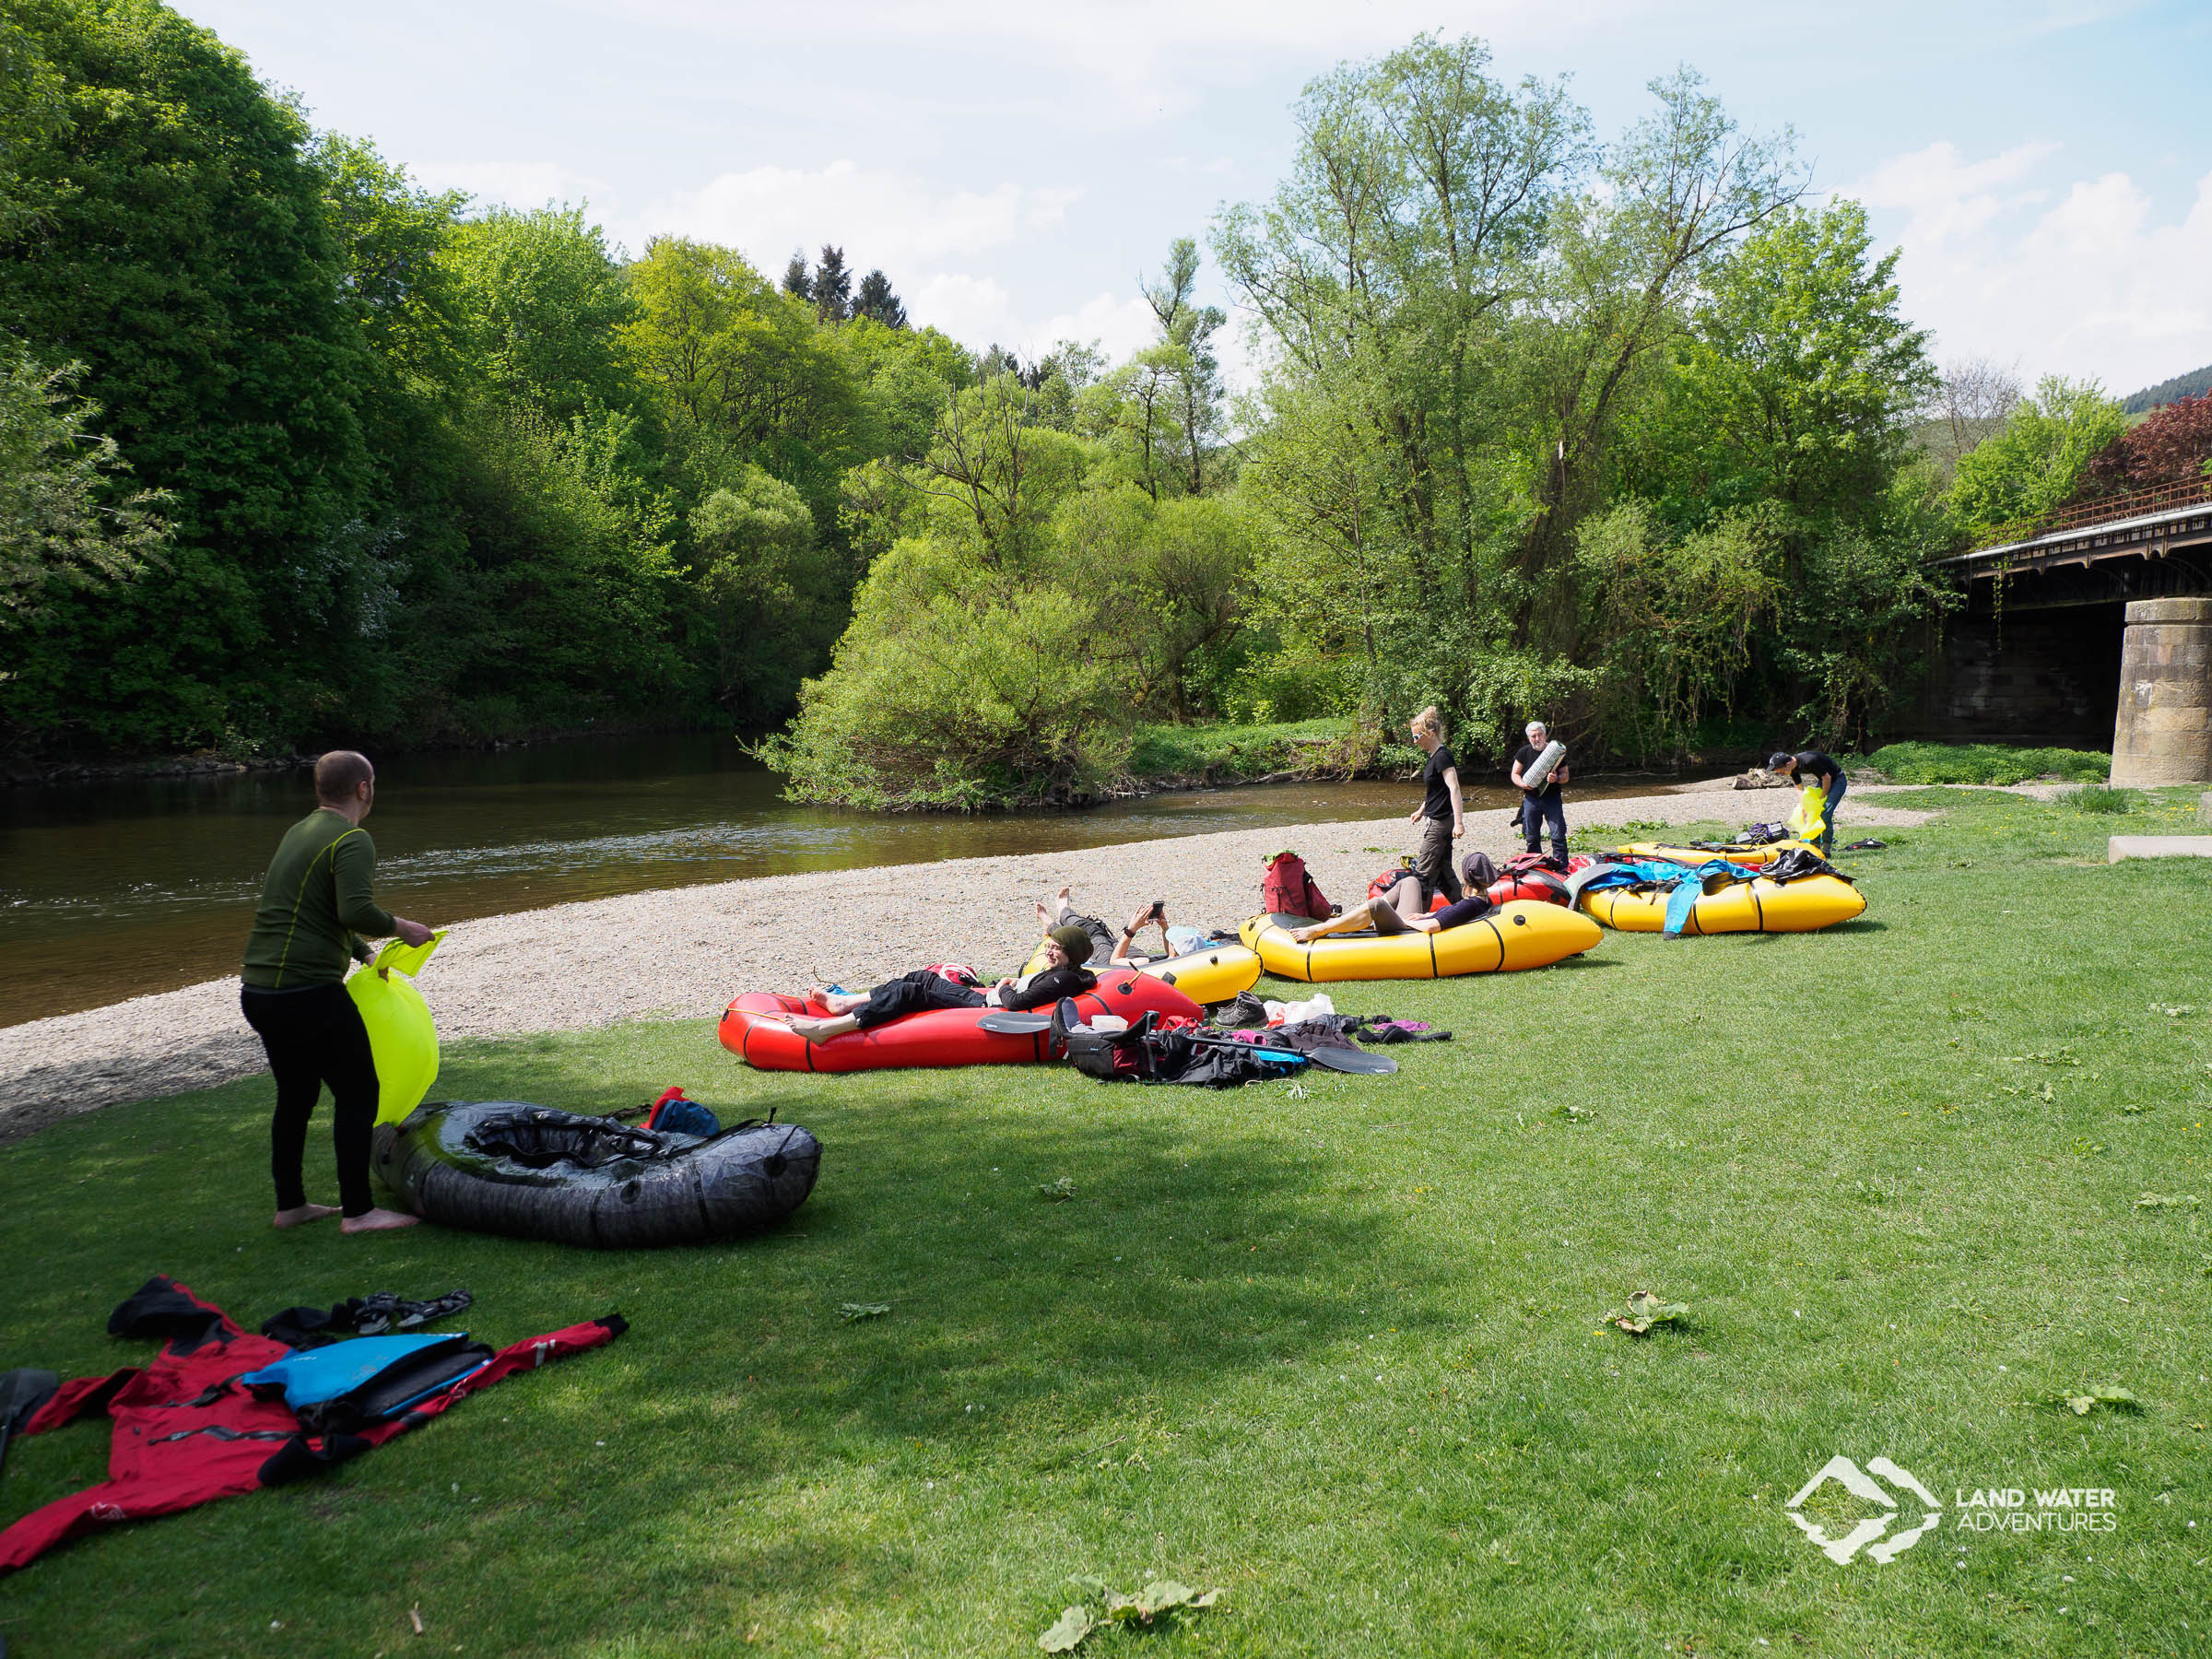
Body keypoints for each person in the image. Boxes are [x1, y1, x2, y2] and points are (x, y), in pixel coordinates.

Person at [239, 750, 433, 1235]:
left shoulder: (299, 831)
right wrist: (402, 927)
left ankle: (291, 1205)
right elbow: (354, 908)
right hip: (306, 993)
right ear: (364, 788)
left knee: (298, 1095)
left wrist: (366, 955)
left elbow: (314, 910)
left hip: (261, 991)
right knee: (358, 1092)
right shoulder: (353, 838)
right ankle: (359, 1212)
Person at [783, 925, 1097, 1042]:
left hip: (984, 1005)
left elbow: (1016, 1004)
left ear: (1071, 953)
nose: (1049, 951)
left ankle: (827, 1031)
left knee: (912, 991)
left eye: (1056, 948)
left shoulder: (1064, 977)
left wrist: (1002, 986)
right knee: (922, 976)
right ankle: (847, 1002)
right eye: (1050, 946)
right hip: (986, 996)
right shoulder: (1066, 973)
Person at [1289, 882, 1495, 944]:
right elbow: (1445, 915)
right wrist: (1425, 914)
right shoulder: (1482, 900)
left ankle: (1319, 929)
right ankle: (1367, 920)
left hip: (1413, 932)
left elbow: (1433, 927)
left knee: (1377, 904)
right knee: (1410, 881)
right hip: (1418, 922)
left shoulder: (1469, 905)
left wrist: (1410, 921)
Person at [1406, 706, 1465, 904]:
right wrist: (1421, 810)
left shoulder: (1443, 756)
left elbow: (1453, 789)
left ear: (1429, 734)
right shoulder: (1433, 758)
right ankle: (1465, 906)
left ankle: (1415, 913)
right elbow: (1435, 791)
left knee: (1423, 871)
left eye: (1416, 737)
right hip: (1434, 817)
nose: (1415, 742)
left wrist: (1459, 823)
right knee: (1442, 870)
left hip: (1440, 822)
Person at [1511, 720, 1571, 863]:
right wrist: (1524, 785)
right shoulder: (1523, 752)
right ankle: (1535, 866)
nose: (1536, 739)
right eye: (1533, 736)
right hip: (1531, 800)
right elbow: (1514, 774)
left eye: (1539, 735)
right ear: (1529, 738)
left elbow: (1566, 776)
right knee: (1532, 838)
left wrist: (1556, 779)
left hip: (1552, 799)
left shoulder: (1555, 752)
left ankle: (1561, 866)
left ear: (1545, 735)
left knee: (1558, 836)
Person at [1771, 749, 1845, 856]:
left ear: (1787, 764)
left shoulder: (1809, 760)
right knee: (1811, 813)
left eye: (1780, 772)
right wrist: (1804, 808)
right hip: (1824, 781)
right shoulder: (1792, 768)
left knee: (1825, 814)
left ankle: (1826, 850)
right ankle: (1815, 848)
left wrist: (1822, 797)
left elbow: (1827, 777)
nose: (1781, 774)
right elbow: (1799, 788)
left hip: (1837, 780)